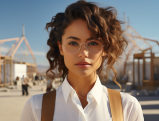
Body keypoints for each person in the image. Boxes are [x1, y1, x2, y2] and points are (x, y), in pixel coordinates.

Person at [20, 1, 144, 121]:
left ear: (105, 48)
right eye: (73, 43)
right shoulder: (36, 107)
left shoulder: (128, 107)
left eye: (93, 43)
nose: (83, 53)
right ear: (60, 48)